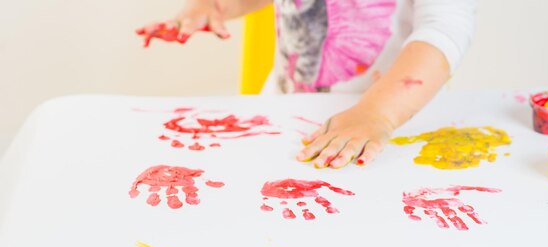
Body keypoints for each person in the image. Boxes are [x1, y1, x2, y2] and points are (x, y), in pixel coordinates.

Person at [136, 0, 476, 168]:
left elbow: (445, 30)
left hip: (393, 130)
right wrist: (216, 6)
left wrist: (378, 114)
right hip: (288, 117)